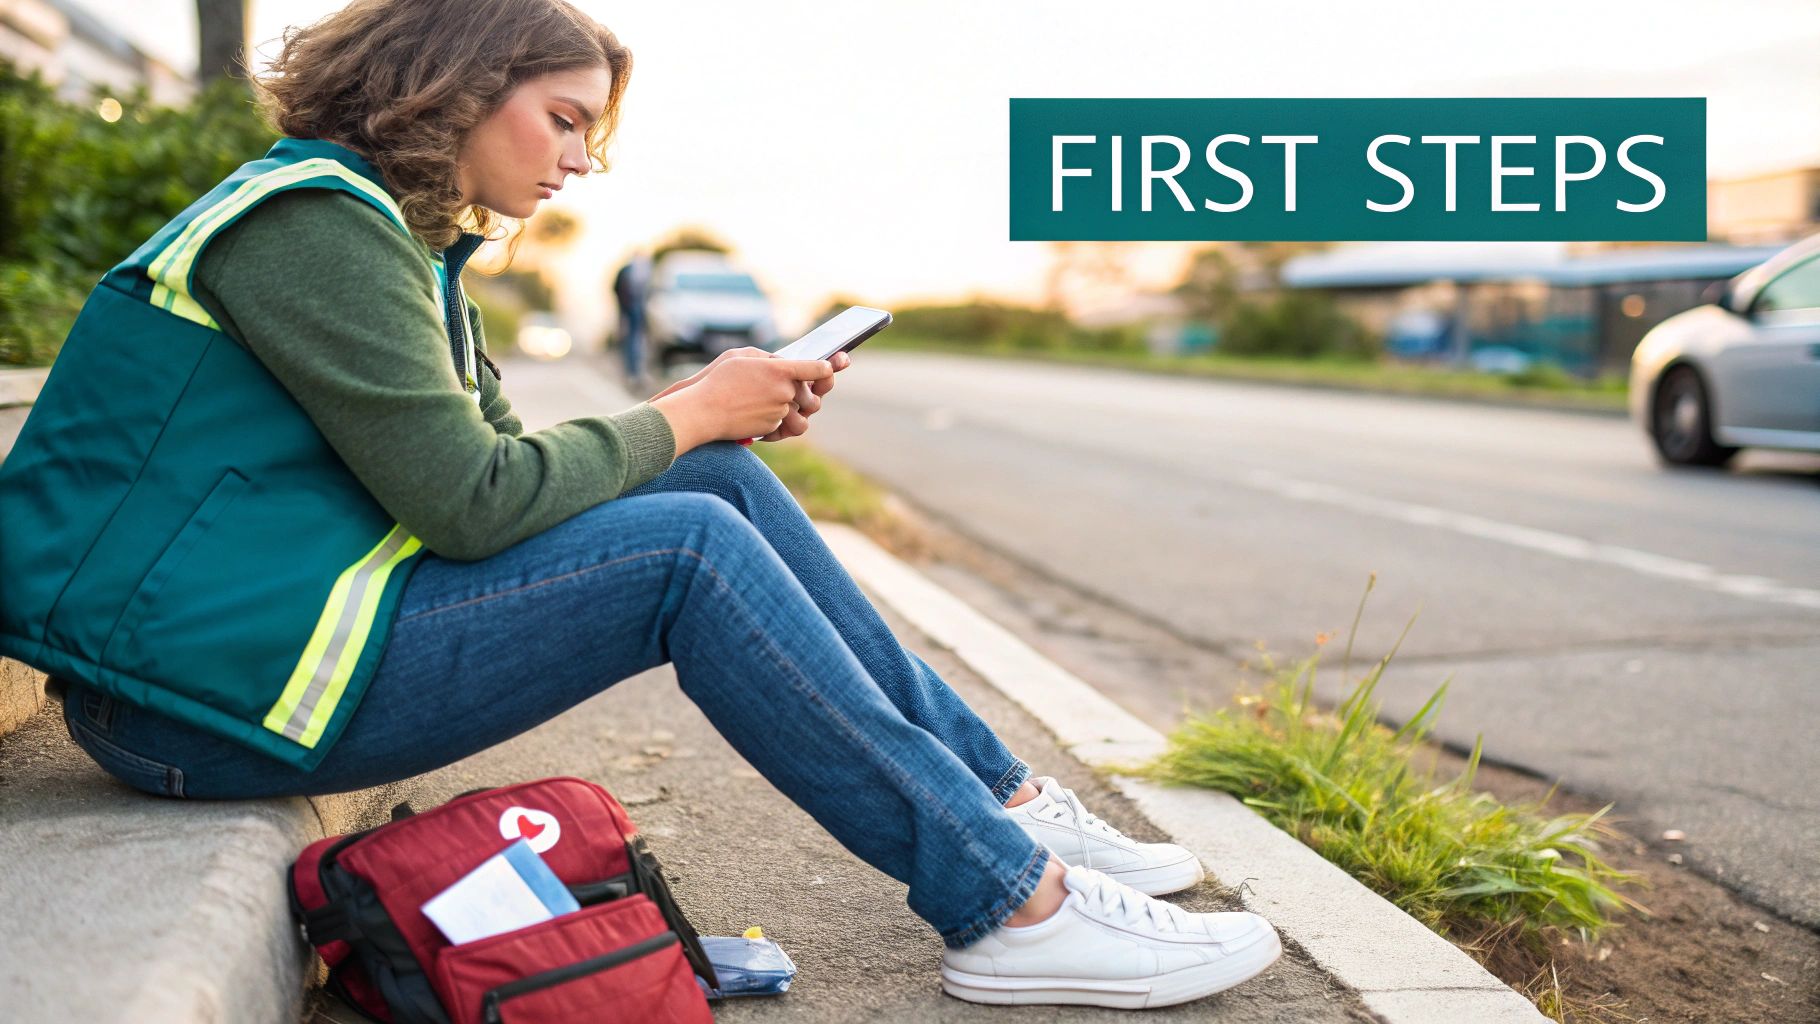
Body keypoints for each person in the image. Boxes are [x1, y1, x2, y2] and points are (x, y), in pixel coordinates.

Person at [0, 0, 1280, 1008]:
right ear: (453, 86)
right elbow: (474, 502)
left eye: (589, 131)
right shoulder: (311, 231)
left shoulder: (395, 245)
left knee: (709, 478)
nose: (579, 159)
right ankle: (1014, 911)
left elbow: (504, 463)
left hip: (256, 653)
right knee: (686, 542)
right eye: (563, 119)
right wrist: (688, 409)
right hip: (198, 707)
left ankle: (994, 807)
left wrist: (706, 420)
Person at [611, 247, 652, 389]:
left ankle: (636, 373)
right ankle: (631, 373)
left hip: (638, 311)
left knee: (638, 343)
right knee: (631, 342)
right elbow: (618, 289)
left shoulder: (643, 270)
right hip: (629, 311)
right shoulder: (629, 271)